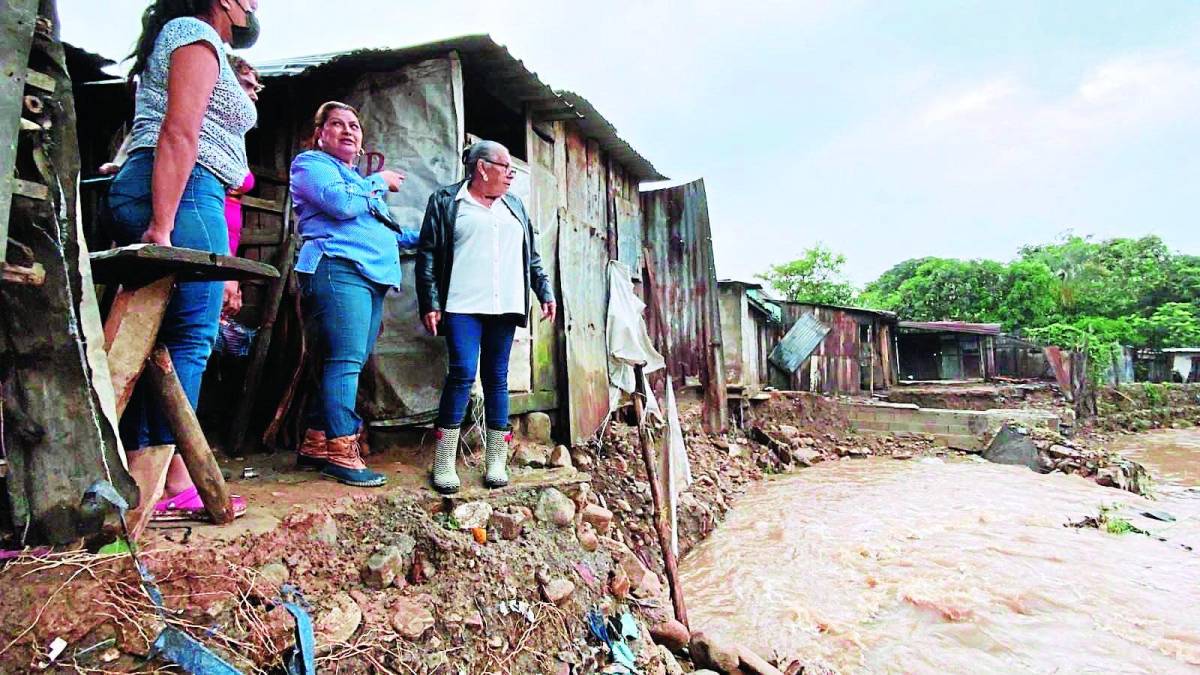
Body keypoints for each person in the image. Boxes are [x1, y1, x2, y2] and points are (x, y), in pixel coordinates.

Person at [106, 0, 261, 521]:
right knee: (191, 339)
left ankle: (149, 473)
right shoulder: (194, 33)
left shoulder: (194, 39)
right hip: (185, 192)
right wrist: (163, 226)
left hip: (189, 190)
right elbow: (179, 131)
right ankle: (161, 482)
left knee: (169, 339)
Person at [417, 140, 556, 494]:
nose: (511, 173)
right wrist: (430, 301)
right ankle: (444, 460)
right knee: (462, 372)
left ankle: (497, 460)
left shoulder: (514, 206)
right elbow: (429, 255)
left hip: (505, 303)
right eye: (505, 165)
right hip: (462, 304)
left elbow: (532, 257)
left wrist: (544, 291)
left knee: (497, 378)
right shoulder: (448, 202)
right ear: (482, 167)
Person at [290, 101, 417, 487]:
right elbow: (343, 206)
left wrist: (433, 235)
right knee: (344, 360)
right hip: (337, 267)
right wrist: (378, 181)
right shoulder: (311, 166)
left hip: (368, 275)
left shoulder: (357, 182)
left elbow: (389, 235)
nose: (348, 131)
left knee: (347, 360)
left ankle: (316, 441)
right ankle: (342, 453)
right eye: (337, 124)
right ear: (320, 134)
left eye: (355, 126)